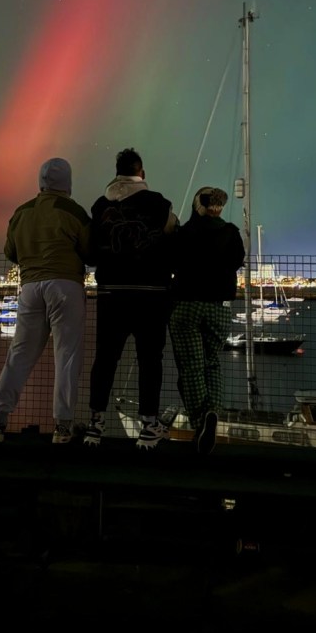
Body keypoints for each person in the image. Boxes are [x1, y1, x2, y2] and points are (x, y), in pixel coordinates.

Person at [0, 157, 92, 445]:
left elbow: (10, 251)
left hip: (30, 287)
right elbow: (90, 251)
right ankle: (62, 426)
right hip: (65, 287)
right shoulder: (74, 211)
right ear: (67, 182)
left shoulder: (22, 212)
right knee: (66, 356)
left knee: (19, 355)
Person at [83, 147, 178, 450]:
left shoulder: (100, 207)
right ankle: (149, 426)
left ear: (116, 173)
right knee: (150, 360)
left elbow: (91, 252)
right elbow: (172, 240)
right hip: (152, 295)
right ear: (142, 173)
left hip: (111, 294)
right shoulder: (159, 204)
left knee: (105, 358)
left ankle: (95, 424)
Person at [168, 187, 246, 455]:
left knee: (191, 368)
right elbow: (237, 261)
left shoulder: (184, 233)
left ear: (197, 206)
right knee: (212, 363)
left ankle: (201, 421)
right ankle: (212, 412)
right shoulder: (231, 233)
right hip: (219, 309)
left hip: (187, 307)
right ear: (219, 207)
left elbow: (172, 263)